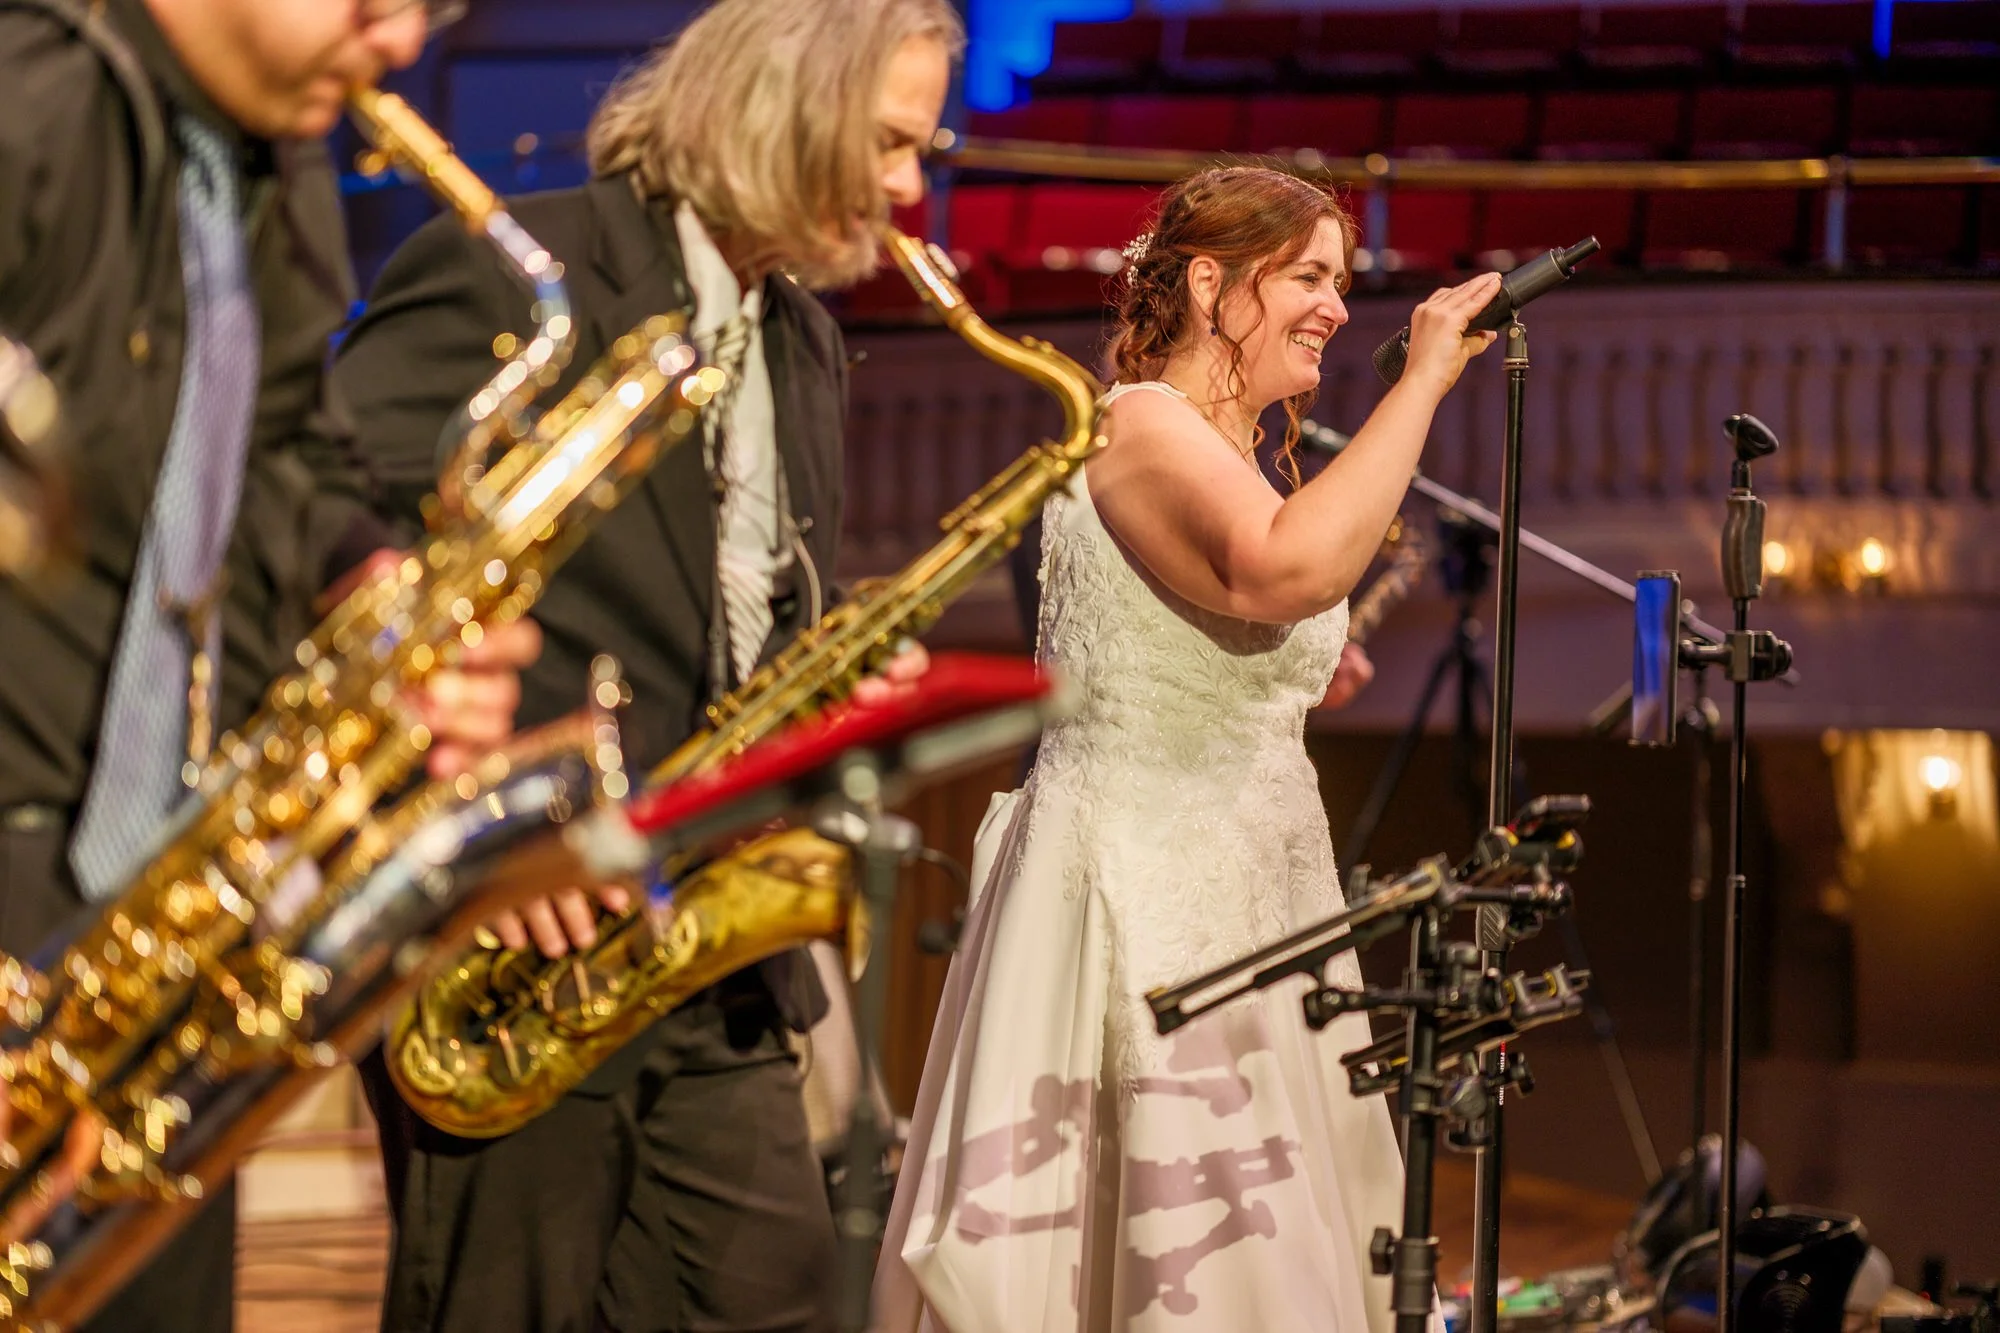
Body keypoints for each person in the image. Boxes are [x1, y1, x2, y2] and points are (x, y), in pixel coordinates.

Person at [330, 1, 959, 1328]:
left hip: (709, 949)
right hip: (517, 940)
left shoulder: (806, 339)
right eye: (891, 143)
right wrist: (478, 813)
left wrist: (830, 677)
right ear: (788, 107)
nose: (912, 188)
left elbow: (730, 612)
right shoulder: (517, 269)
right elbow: (338, 544)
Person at [874, 165, 1502, 1333]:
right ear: (1210, 284)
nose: (1334, 307)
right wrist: (1420, 379)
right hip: (1146, 889)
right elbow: (1280, 569)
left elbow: (1225, 628)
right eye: (1307, 276)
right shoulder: (1133, 424)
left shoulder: (1240, 458)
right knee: (1181, 1236)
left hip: (1258, 882)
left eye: (1340, 282)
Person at [0, 1, 538, 1329]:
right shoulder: (26, 98)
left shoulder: (275, 152)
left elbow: (289, 448)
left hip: (143, 912)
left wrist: (373, 589)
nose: (402, 41)